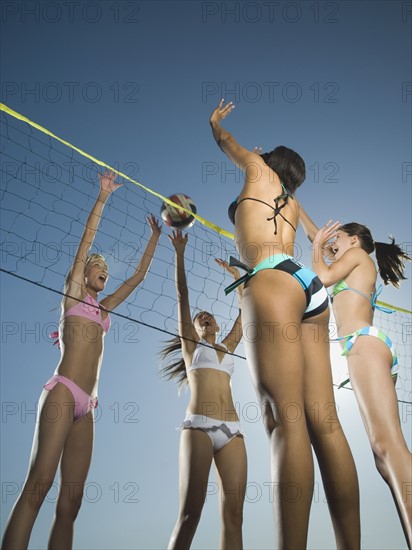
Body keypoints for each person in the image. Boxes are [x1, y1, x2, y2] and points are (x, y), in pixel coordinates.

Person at [209, 99, 360, 549]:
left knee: (284, 421)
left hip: (272, 280)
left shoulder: (256, 170)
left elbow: (225, 142)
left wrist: (216, 122)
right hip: (306, 285)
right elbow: (320, 240)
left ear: (269, 160)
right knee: (326, 423)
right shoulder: (291, 201)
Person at [1, 171, 161, 550]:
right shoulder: (73, 295)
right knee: (38, 486)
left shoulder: (105, 311)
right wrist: (104, 196)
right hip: (62, 392)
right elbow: (85, 240)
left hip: (87, 406)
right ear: (83, 272)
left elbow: (137, 277)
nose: (103, 268)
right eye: (97, 265)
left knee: (71, 504)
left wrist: (155, 238)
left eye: (105, 266)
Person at [299, 205, 412, 547]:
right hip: (362, 347)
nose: (332, 242)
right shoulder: (354, 259)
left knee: (389, 447)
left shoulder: (360, 256)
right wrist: (294, 200)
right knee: (381, 458)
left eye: (337, 239)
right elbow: (314, 235)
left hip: (364, 344)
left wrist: (318, 249)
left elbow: (324, 277)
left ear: (353, 240)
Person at [162, 229, 246, 550]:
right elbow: (183, 295)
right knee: (190, 515)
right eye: (199, 318)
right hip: (197, 426)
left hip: (233, 431)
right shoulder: (190, 349)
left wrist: (237, 276)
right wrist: (179, 253)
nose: (204, 317)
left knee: (234, 518)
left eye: (208, 315)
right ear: (194, 328)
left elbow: (245, 312)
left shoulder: (227, 346)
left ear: (217, 324)